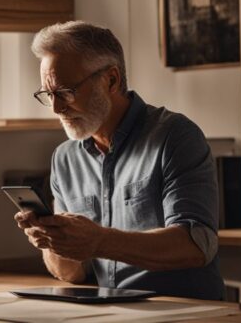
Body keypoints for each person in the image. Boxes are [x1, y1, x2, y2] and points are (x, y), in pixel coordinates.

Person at [15, 21, 224, 300]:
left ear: (111, 80)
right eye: (48, 94)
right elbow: (73, 273)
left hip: (181, 313)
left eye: (65, 91)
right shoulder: (65, 158)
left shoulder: (176, 137)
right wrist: (51, 241)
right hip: (112, 312)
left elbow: (196, 245)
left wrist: (99, 240)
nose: (56, 108)